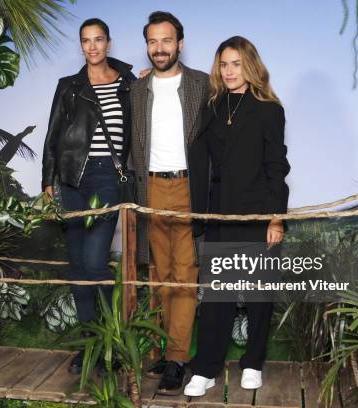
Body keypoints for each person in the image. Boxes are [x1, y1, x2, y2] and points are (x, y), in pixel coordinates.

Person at [183, 36, 290, 396]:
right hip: (220, 212)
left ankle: (253, 361)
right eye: (224, 64)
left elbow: (277, 167)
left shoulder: (269, 109)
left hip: (258, 213)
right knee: (217, 296)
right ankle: (207, 367)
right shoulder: (213, 105)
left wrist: (276, 218)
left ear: (251, 66)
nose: (229, 71)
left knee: (259, 295)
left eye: (236, 64)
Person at [41, 18, 137, 374]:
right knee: (79, 266)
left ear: (108, 43)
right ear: (81, 46)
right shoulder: (68, 86)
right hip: (70, 179)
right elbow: (53, 136)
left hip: (106, 177)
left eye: (98, 40)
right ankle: (88, 346)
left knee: (96, 263)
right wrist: (48, 180)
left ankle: (112, 340)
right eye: (86, 41)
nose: (92, 47)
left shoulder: (128, 84)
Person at [129, 11, 209, 395]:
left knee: (185, 276)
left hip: (188, 190)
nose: (159, 49)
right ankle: (161, 349)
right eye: (152, 42)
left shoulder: (203, 84)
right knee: (158, 275)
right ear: (147, 46)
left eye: (166, 41)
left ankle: (178, 358)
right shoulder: (136, 89)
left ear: (180, 42)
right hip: (150, 192)